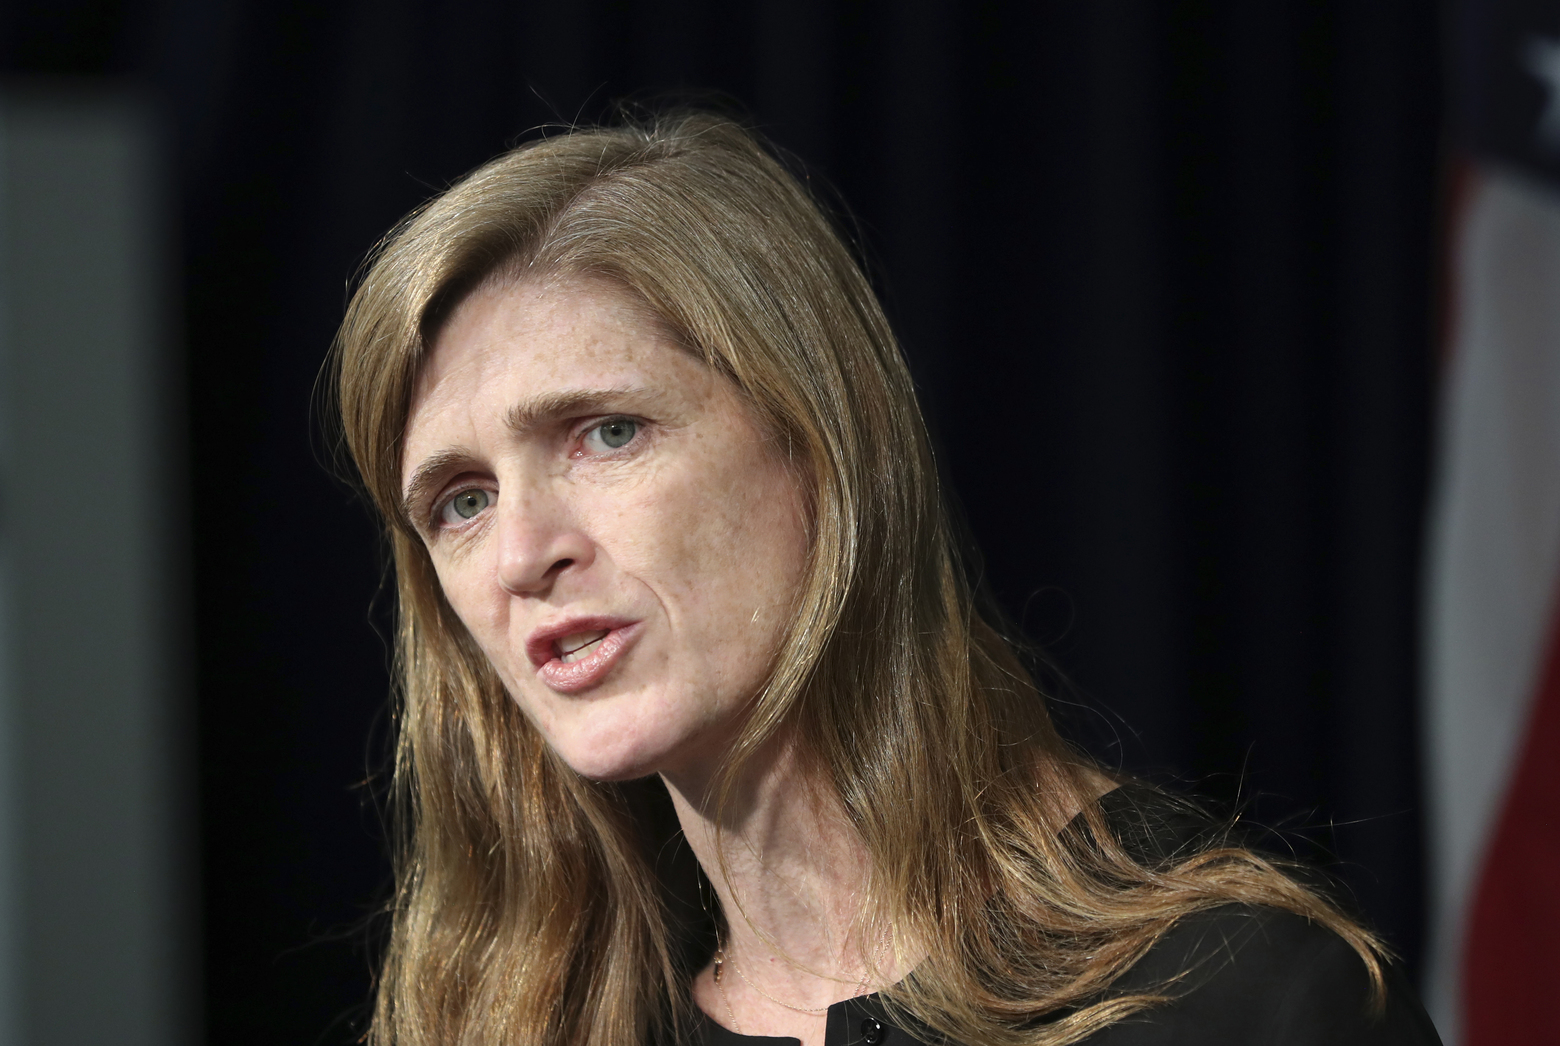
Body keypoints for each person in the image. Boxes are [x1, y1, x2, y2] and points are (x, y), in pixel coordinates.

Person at [332, 111, 1441, 1046]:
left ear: (820, 444)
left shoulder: (1238, 995)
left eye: (606, 432)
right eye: (461, 501)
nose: (523, 553)